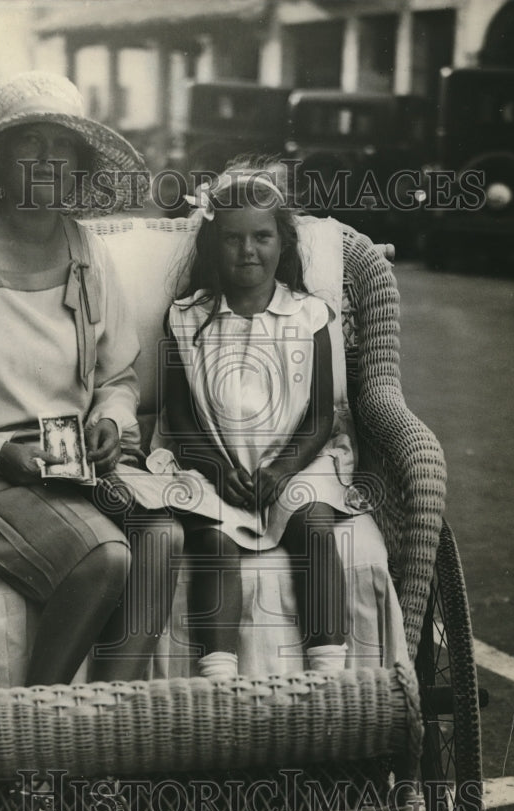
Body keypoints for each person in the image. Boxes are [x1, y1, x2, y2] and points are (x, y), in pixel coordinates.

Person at [0, 71, 182, 686]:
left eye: (62, 146)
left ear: (78, 164)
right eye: (29, 143)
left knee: (161, 534)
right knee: (103, 560)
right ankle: (37, 743)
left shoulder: (86, 249)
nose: (46, 160)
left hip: (73, 464)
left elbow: (118, 374)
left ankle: (104, 732)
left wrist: (109, 419)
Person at [161, 156, 366, 680]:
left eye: (261, 237)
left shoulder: (308, 316)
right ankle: (220, 679)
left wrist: (281, 471)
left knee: (315, 527)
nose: (248, 250)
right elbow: (180, 417)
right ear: (212, 246)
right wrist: (213, 466)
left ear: (283, 243)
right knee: (213, 537)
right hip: (217, 466)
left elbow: (321, 414)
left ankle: (329, 675)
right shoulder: (186, 319)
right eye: (231, 239)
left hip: (294, 463)